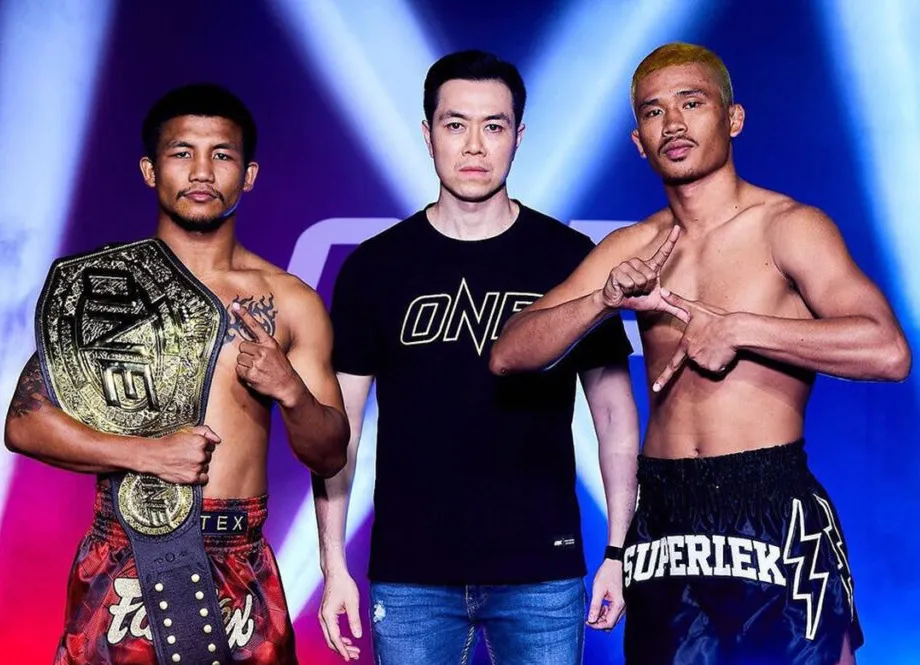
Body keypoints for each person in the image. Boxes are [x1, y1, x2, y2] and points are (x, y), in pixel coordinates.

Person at [490, 42, 912, 665]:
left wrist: (740, 328)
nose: (674, 124)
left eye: (692, 103)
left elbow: (888, 350)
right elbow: (508, 354)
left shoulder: (789, 227)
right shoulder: (634, 246)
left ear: (732, 118)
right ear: (639, 141)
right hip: (664, 515)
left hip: (771, 506)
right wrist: (602, 300)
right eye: (654, 111)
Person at [4, 83, 349, 665]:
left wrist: (290, 390)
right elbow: (24, 423)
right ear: (150, 170)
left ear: (249, 175)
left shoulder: (291, 302)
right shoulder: (106, 288)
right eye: (182, 152)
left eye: (222, 154)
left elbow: (330, 453)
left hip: (238, 554)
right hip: (126, 548)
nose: (202, 171)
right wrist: (146, 454)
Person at [315, 50, 639, 664]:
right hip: (411, 576)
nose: (474, 146)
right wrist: (333, 565)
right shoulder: (375, 267)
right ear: (428, 134)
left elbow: (615, 416)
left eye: (493, 126)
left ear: (518, 136)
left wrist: (618, 552)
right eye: (455, 124)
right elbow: (341, 430)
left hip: (542, 572)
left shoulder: (568, 257)